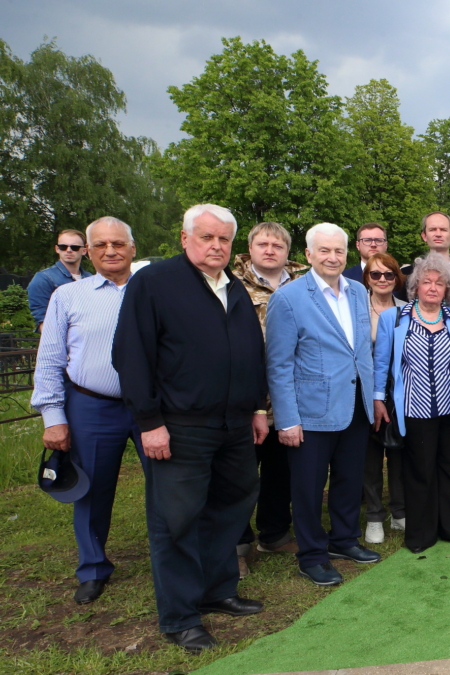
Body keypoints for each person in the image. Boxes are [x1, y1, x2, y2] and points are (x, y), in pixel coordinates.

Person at [112, 204, 267, 653]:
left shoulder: (233, 286)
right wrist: (150, 422)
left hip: (235, 424)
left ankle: (218, 590)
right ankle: (180, 616)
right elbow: (131, 355)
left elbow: (250, 352)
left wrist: (257, 408)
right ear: (185, 239)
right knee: (175, 520)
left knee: (230, 507)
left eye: (223, 239)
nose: (216, 246)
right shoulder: (155, 283)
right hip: (180, 426)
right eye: (206, 237)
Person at [32, 217, 141, 606]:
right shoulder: (67, 296)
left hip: (150, 407)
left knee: (169, 484)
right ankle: (93, 568)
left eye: (118, 243)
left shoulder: (151, 291)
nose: (110, 251)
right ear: (88, 252)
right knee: (92, 490)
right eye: (100, 245)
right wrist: (53, 417)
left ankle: (176, 556)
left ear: (132, 248)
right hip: (92, 404)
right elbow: (49, 360)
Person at [266, 223, 380, 588]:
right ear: (310, 254)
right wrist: (286, 419)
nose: (333, 257)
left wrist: (374, 397)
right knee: (308, 488)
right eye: (325, 251)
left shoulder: (358, 291)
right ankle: (312, 555)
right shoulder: (289, 298)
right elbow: (279, 364)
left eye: (339, 251)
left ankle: (344, 540)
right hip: (311, 411)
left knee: (349, 481)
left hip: (355, 405)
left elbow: (362, 350)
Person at [374, 256, 450, 553]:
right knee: (420, 472)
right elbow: (381, 364)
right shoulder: (394, 319)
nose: (433, 287)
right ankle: (422, 534)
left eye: (439, 283)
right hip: (413, 410)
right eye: (427, 282)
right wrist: (377, 399)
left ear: (447, 289)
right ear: (415, 286)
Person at [231, 222, 308, 576]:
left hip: (292, 392)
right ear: (250, 247)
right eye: (263, 244)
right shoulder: (230, 284)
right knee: (241, 471)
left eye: (278, 245)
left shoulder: (304, 285)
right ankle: (237, 542)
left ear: (287, 251)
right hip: (247, 390)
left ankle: (274, 533)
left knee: (282, 468)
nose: (270, 250)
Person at [361, 252, 406, 545]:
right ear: (367, 278)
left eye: (388, 274)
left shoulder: (406, 310)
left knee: (401, 455)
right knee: (370, 459)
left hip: (401, 392)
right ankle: (374, 517)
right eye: (376, 274)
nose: (382, 279)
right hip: (363, 393)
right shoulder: (354, 309)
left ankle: (400, 511)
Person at [28, 229, 92, 330]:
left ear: (84, 250)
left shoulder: (91, 279)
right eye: (63, 247)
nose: (68, 250)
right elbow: (42, 319)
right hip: (62, 340)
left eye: (74, 247)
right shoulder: (43, 278)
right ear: (57, 249)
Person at [400, 211, 450, 300]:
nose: (438, 234)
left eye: (443, 230)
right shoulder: (406, 274)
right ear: (424, 236)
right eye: (432, 229)